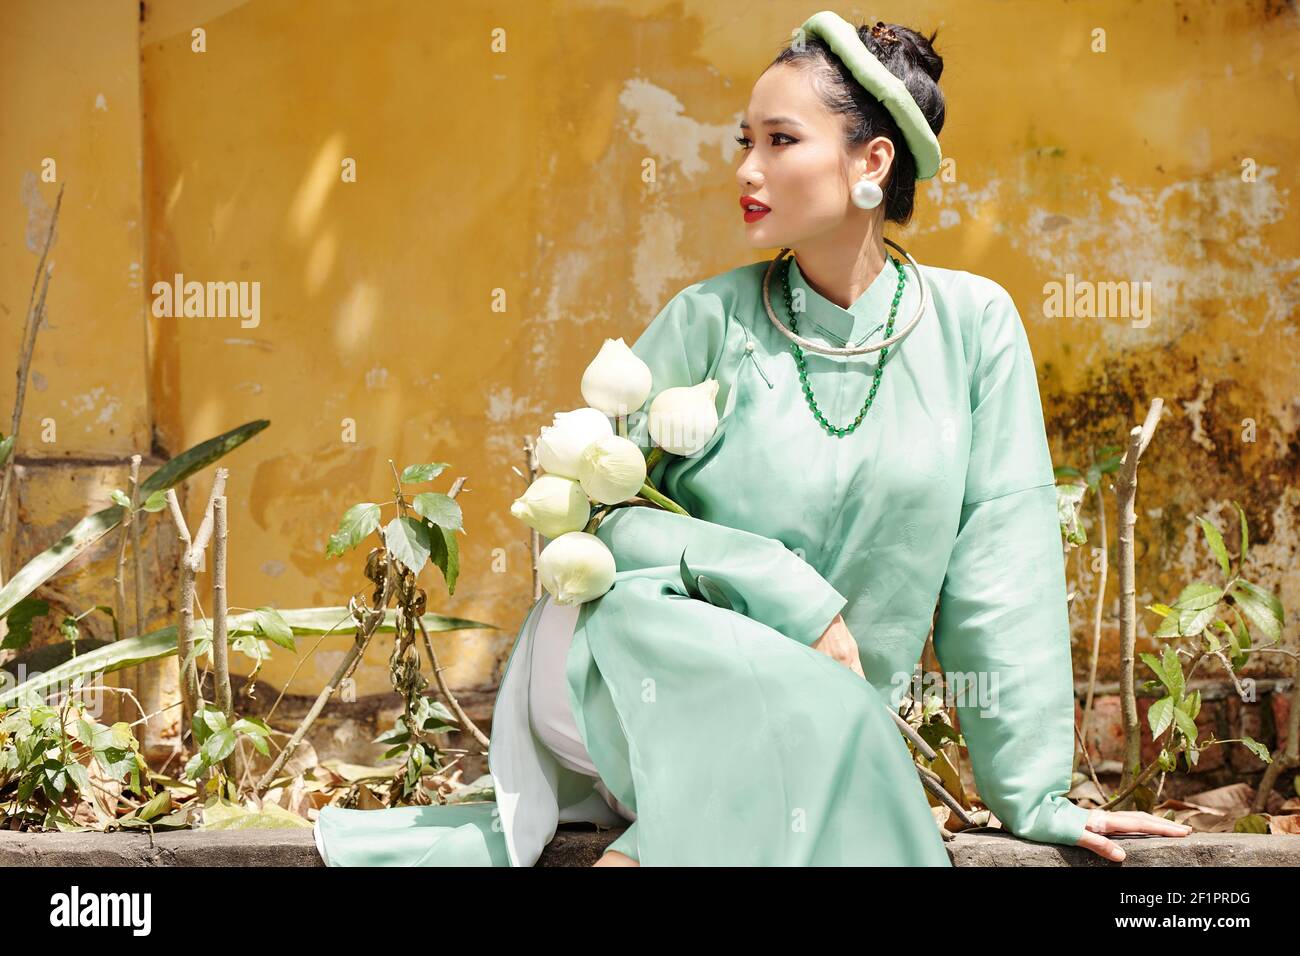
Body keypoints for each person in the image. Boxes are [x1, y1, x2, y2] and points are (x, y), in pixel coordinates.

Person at [314, 10, 1192, 867]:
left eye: (780, 140)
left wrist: (1032, 793)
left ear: (871, 162)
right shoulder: (706, 320)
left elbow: (1003, 562)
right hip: (632, 673)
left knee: (824, 719)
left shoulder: (974, 327)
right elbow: (591, 526)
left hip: (817, 726)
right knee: (815, 714)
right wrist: (785, 590)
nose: (747, 168)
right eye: (745, 140)